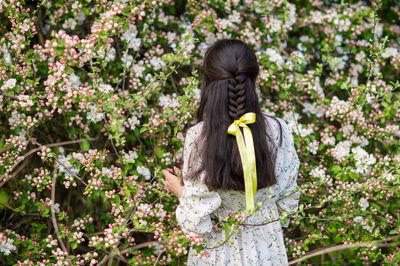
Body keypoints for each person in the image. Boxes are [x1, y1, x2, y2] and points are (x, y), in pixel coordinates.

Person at [162, 38, 300, 266]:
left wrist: (181, 191)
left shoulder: (198, 137)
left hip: (218, 251)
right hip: (267, 247)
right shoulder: (278, 130)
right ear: (255, 79)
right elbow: (287, 203)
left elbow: (199, 225)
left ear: (207, 83)